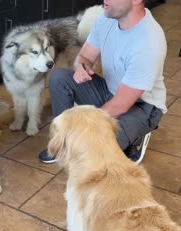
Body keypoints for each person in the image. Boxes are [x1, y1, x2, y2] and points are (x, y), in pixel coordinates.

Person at [39, 0, 167, 163]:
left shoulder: (148, 42)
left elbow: (121, 104)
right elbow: (84, 57)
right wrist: (81, 67)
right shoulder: (106, 18)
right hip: (109, 91)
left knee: (92, 152)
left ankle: (136, 135)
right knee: (59, 78)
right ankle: (61, 143)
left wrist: (79, 125)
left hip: (142, 106)